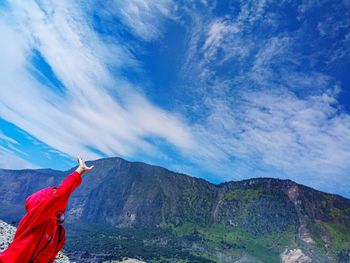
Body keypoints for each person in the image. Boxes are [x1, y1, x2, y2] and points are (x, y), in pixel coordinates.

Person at [0, 156, 94, 263]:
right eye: (53, 194)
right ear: (42, 202)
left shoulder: (59, 233)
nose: (57, 196)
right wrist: (79, 172)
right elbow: (60, 195)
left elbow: (50, 259)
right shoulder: (35, 218)